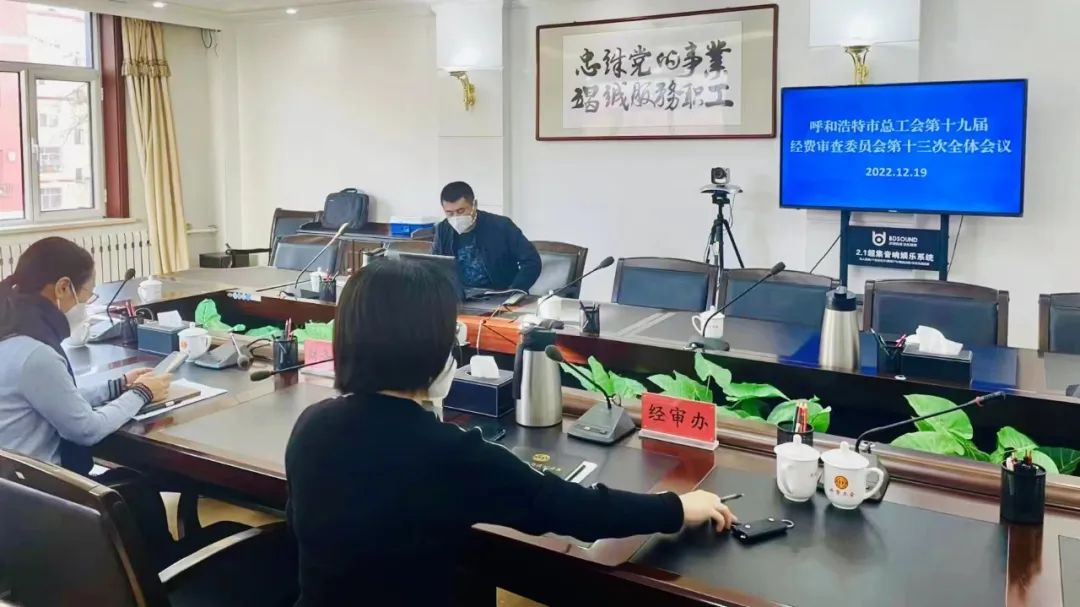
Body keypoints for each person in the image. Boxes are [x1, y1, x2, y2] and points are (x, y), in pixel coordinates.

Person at [286, 259, 738, 606]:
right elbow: (574, 509)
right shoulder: (448, 455)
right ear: (431, 349)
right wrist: (676, 507)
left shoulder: (313, 425)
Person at [0, 237, 178, 567]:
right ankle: (163, 578)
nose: (87, 304)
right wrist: (142, 394)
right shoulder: (35, 353)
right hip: (39, 508)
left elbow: (54, 398)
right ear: (62, 287)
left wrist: (118, 386)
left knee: (135, 487)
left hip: (14, 498)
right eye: (88, 294)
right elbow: (85, 428)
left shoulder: (12, 332)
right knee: (138, 494)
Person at [432, 181, 542, 292]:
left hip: (500, 293)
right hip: (460, 295)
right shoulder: (442, 230)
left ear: (474, 205)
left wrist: (514, 290)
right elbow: (434, 267)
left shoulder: (501, 226)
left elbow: (532, 261)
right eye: (450, 213)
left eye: (461, 211)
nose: (456, 217)